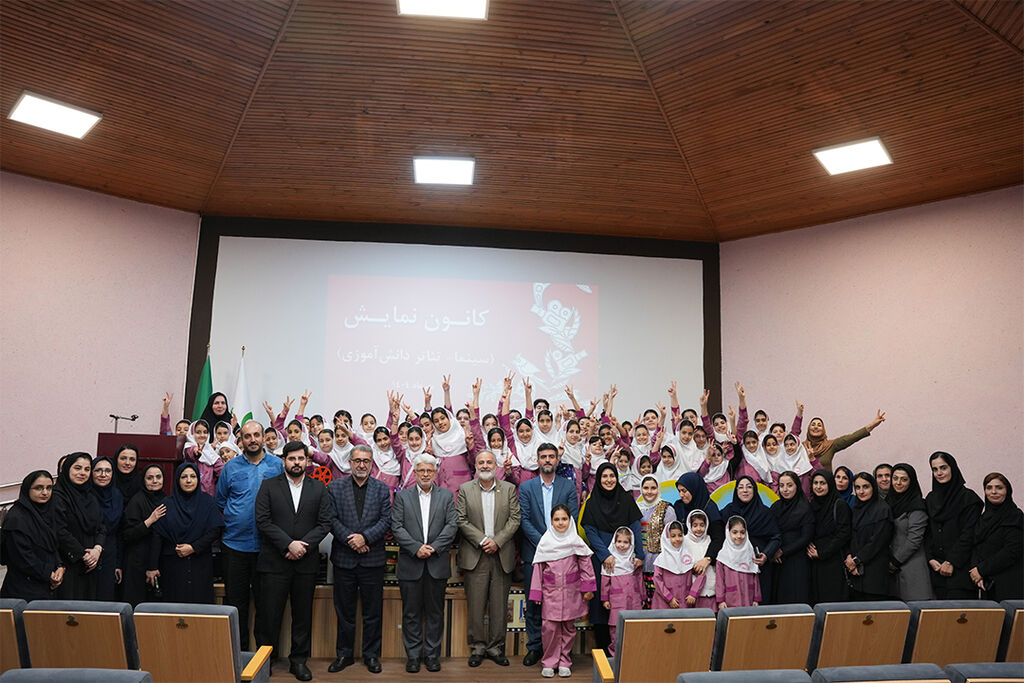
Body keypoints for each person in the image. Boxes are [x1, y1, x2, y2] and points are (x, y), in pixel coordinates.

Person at [254, 441, 333, 682]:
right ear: (284, 461)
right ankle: (265, 661)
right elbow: (263, 520)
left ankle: (298, 661)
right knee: (269, 615)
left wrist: (302, 547)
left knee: (302, 615)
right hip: (274, 562)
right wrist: (288, 544)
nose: (296, 463)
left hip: (305, 563)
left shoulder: (319, 488)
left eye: (301, 458)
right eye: (292, 458)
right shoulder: (268, 486)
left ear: (307, 461)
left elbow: (325, 523)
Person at [216, 420, 284, 650]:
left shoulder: (277, 465)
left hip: (268, 547)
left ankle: (265, 658)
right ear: (241, 440)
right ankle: (239, 655)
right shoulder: (230, 467)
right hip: (234, 546)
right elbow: (221, 501)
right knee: (237, 605)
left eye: (256, 435)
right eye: (247, 436)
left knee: (267, 606)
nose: (253, 440)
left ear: (263, 437)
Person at [326, 444, 392, 675]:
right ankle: (344, 654)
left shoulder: (382, 488)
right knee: (344, 611)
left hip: (372, 559)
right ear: (350, 463)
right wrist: (351, 540)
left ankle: (371, 655)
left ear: (371, 464)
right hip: (344, 559)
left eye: (366, 461)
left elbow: (386, 519)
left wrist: (365, 538)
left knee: (372, 612)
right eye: (357, 461)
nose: (362, 465)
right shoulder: (335, 487)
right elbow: (331, 519)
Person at [391, 454, 457, 673]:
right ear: (416, 473)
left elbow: (452, 526)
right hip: (411, 564)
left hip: (437, 564)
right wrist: (416, 547)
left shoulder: (446, 497)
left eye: (429, 470)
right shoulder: (403, 497)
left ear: (435, 473)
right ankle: (413, 656)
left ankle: (431, 655)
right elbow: (396, 527)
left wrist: (434, 547)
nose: (426, 474)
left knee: (435, 613)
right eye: (422, 470)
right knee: (410, 613)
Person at [456, 449, 521, 667]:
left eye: (489, 462)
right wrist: (484, 540)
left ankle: (495, 647)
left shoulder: (509, 489)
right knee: (475, 606)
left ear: (496, 466)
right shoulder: (465, 489)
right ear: (475, 466)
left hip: (501, 554)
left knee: (499, 606)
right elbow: (461, 519)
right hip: (476, 554)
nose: (485, 466)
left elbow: (515, 519)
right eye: (481, 462)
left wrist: (497, 541)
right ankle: (477, 648)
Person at [518, 443, 579, 667]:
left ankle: (561, 651)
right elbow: (524, 519)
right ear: (537, 460)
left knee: (561, 604)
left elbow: (572, 518)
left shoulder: (567, 486)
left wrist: (555, 544)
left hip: (563, 555)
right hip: (534, 552)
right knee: (534, 601)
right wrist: (545, 543)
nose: (547, 460)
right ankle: (535, 647)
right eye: (543, 456)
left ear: (557, 460)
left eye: (551, 456)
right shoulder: (527, 487)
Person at [581, 462, 643, 653]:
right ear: (598, 479)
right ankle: (604, 650)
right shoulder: (592, 502)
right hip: (602, 560)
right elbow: (590, 531)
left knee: (626, 601)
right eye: (604, 476)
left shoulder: (626, 499)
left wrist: (639, 554)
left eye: (612, 476)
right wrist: (605, 555)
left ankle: (628, 649)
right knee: (602, 603)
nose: (609, 480)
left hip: (625, 559)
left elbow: (635, 526)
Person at [528, 504, 595, 679]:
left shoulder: (576, 541)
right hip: (550, 594)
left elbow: (586, 566)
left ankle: (565, 661)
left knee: (568, 628)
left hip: (572, 593)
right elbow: (538, 570)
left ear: (570, 520)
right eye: (556, 519)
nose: (560, 522)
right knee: (549, 629)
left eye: (564, 519)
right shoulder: (545, 543)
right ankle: (549, 662)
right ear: (551, 521)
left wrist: (588, 588)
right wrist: (536, 593)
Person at [146, 462, 224, 603]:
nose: (188, 480)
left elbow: (215, 530)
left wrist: (193, 547)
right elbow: (157, 535)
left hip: (200, 563)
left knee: (199, 607)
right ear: (178, 480)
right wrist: (152, 566)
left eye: (193, 476)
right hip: (173, 565)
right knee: (174, 607)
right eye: (184, 477)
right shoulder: (167, 504)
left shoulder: (207, 502)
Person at [924, 451, 983, 599]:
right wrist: (930, 558)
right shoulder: (931, 499)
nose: (939, 473)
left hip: (961, 573)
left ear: (953, 468)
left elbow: (969, 534)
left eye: (943, 468)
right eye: (935, 469)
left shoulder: (969, 498)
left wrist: (951, 561)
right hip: (936, 571)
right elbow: (928, 533)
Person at [1, 471, 64, 600]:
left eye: (49, 488)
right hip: (22, 588)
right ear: (27, 489)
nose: (45, 492)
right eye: (38, 488)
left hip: (47, 585)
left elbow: (54, 545)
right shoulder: (16, 517)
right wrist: (48, 573)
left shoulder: (49, 512)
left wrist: (59, 566)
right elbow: (21, 556)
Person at [52, 452, 105, 600]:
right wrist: (83, 554)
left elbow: (101, 526)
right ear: (67, 469)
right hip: (68, 563)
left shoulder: (90, 496)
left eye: (87, 469)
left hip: (90, 563)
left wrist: (97, 550)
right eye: (77, 468)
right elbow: (60, 531)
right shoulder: (57, 496)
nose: (82, 473)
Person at [720, 476, 778, 601]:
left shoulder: (764, 512)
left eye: (749, 487)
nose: (745, 490)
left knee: (760, 603)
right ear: (736, 491)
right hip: (733, 566)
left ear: (754, 490)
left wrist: (766, 554)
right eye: (741, 487)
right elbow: (719, 535)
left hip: (759, 564)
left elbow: (776, 537)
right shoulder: (728, 511)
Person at [969, 472, 1023, 601]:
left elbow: (1011, 551)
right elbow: (976, 546)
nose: (993, 492)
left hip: (1010, 584)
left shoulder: (1015, 516)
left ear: (1007, 491)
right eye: (989, 488)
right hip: (987, 583)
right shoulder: (983, 518)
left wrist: (981, 570)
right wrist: (976, 572)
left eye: (999, 487)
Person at [886, 463, 934, 601]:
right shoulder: (888, 502)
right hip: (891, 569)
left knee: (914, 610)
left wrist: (895, 561)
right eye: (895, 478)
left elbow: (914, 539)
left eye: (904, 479)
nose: (898, 483)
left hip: (911, 567)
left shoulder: (917, 505)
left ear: (911, 482)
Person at [120, 464, 166, 605]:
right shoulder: (136, 501)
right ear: (143, 480)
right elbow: (127, 534)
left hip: (160, 560)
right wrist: (149, 521)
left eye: (158, 477)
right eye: (150, 478)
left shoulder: (166, 500)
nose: (155, 481)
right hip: (137, 562)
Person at [845, 472, 893, 601]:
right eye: (857, 487)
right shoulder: (856, 508)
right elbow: (851, 535)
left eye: (865, 487)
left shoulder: (882, 509)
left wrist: (856, 560)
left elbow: (877, 542)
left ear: (873, 487)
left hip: (874, 573)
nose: (861, 491)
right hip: (855, 573)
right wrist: (850, 557)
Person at [806, 469, 852, 604]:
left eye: (823, 483)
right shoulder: (811, 505)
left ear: (830, 484)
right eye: (815, 483)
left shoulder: (839, 504)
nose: (818, 487)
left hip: (833, 561)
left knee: (832, 600)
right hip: (814, 562)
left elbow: (843, 534)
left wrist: (822, 552)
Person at [769, 471, 815, 604]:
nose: (785, 489)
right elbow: (769, 531)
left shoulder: (805, 507)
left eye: (789, 485)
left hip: (797, 558)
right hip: (777, 560)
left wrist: (783, 551)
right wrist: (773, 551)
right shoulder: (776, 507)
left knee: (796, 595)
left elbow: (806, 537)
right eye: (781, 485)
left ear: (797, 486)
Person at [673, 472, 725, 583]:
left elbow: (718, 538)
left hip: (705, 562)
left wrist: (708, 558)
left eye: (684, 491)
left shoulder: (710, 508)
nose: (681, 495)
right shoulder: (679, 506)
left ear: (694, 489)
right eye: (679, 491)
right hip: (684, 561)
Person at [600, 526, 643, 656]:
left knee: (634, 627)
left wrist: (642, 596)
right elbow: (605, 581)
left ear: (631, 543)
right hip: (617, 601)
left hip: (634, 600)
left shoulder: (634, 560)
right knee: (616, 628)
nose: (622, 545)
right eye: (619, 541)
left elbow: (639, 579)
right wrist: (605, 599)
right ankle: (615, 655)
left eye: (625, 542)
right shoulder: (610, 560)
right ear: (614, 542)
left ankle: (633, 655)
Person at [636, 475, 676, 608]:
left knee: (659, 599)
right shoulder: (636, 508)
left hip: (660, 561)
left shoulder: (667, 509)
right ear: (641, 489)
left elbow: (672, 538)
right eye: (646, 488)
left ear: (658, 489)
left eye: (653, 488)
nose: (649, 491)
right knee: (643, 599)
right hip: (640, 560)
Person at [802, 411, 885, 472]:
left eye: (819, 425)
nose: (816, 427)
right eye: (813, 424)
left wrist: (873, 424)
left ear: (823, 430)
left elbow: (852, 437)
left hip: (827, 487)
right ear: (808, 428)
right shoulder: (801, 447)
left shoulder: (829, 445)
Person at [90, 456, 123, 601]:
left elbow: (119, 531)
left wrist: (118, 563)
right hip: (89, 553)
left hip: (110, 554)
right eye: (98, 470)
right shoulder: (86, 495)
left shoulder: (117, 496)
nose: (103, 475)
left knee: (105, 598)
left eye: (108, 471)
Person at [716, 516, 761, 608]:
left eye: (742, 532)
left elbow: (755, 577)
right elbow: (719, 580)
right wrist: (721, 600)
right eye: (735, 532)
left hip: (748, 599)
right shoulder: (723, 556)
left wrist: (756, 599)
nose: (739, 536)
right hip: (730, 601)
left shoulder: (750, 552)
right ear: (728, 532)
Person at [651, 520, 688, 609]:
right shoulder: (661, 559)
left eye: (680, 535)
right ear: (666, 538)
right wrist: (669, 597)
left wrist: (693, 593)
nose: (677, 539)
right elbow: (657, 580)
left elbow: (700, 575)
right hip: (663, 603)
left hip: (684, 601)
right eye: (673, 536)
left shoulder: (687, 556)